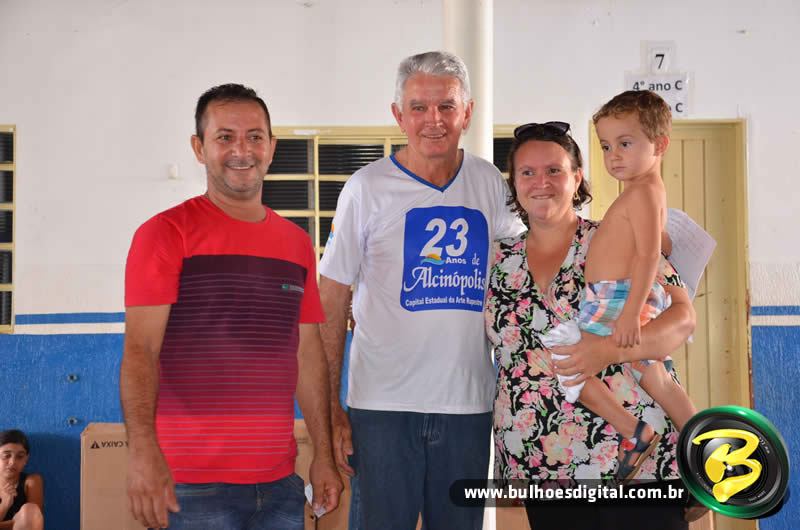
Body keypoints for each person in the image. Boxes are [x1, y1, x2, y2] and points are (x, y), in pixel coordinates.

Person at [120, 83, 342, 530]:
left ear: (271, 148)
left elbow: (308, 354)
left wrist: (323, 455)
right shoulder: (165, 234)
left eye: (254, 137)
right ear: (198, 148)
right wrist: (142, 451)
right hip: (190, 487)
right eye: (225, 137)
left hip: (279, 484)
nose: (242, 150)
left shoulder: (296, 243)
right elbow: (140, 351)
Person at [318, 51, 524, 530]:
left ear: (467, 113)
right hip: (382, 407)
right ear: (398, 115)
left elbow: (531, 259)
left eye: (447, 106)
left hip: (468, 407)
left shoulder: (489, 182)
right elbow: (331, 300)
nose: (434, 120)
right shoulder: (366, 189)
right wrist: (331, 408)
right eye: (419, 107)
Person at [486, 121, 695, 529]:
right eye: (527, 172)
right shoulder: (495, 261)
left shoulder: (615, 237)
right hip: (544, 464)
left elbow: (683, 315)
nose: (541, 182)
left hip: (638, 467)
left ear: (577, 177)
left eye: (554, 170)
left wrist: (608, 351)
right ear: (514, 184)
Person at [542, 91, 697, 481]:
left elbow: (647, 256)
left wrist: (630, 314)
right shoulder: (645, 190)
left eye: (625, 144)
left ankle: (636, 432)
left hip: (615, 299)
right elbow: (655, 242)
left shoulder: (642, 192)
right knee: (655, 377)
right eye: (606, 146)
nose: (613, 156)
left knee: (566, 361)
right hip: (619, 296)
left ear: (659, 145)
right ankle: (699, 440)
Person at [0, 430, 43, 530]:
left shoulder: (31, 481)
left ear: (26, 459)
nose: (12, 462)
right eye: (6, 456)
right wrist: (4, 505)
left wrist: (22, 522)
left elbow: (33, 521)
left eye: (20, 457)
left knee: (30, 510)